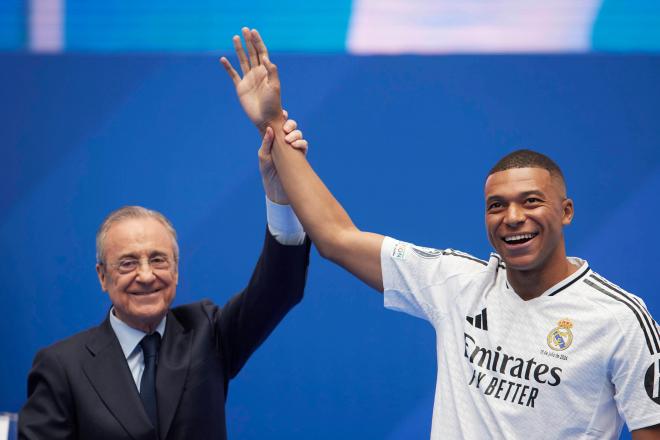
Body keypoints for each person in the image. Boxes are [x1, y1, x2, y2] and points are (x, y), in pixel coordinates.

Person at [221, 28, 660, 439]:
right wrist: (273, 121)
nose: (512, 217)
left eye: (531, 201)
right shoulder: (458, 283)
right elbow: (337, 237)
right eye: (496, 206)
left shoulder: (620, 319)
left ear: (565, 211)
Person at [18, 127, 311, 439]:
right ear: (102, 276)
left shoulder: (207, 334)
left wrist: (281, 196)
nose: (146, 276)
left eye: (158, 260)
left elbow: (279, 288)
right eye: (128, 263)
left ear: (176, 270)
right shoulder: (63, 366)